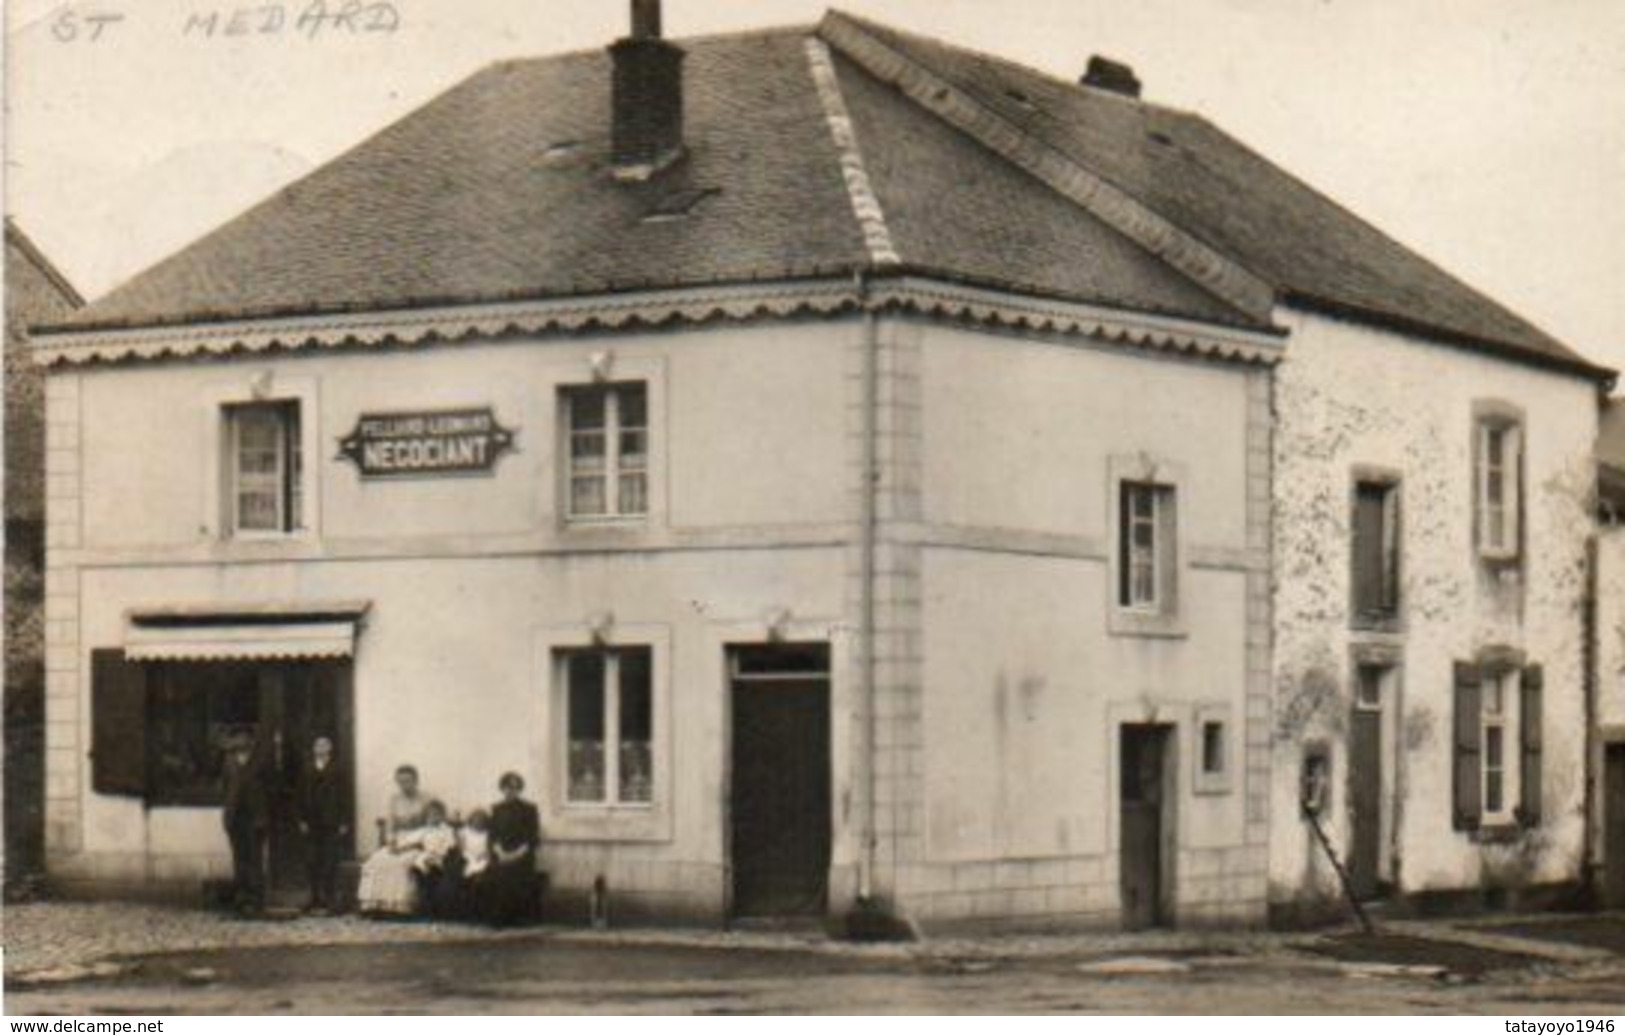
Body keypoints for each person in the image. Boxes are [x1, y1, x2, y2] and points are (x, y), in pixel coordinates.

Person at [356, 764, 433, 916]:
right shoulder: (394, 799)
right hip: (398, 840)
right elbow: (391, 824)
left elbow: (430, 826)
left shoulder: (426, 799)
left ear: (416, 780)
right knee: (376, 861)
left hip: (418, 840)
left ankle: (399, 906)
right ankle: (376, 904)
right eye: (401, 781)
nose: (405, 785)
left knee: (401, 864)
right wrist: (391, 841)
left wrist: (415, 842)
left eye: (408, 781)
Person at [221, 729, 272, 917]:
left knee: (255, 860)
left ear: (251, 747)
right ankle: (241, 901)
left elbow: (268, 790)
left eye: (244, 746)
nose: (241, 751)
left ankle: (256, 901)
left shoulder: (259, 764)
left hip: (255, 818)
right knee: (239, 860)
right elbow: (225, 789)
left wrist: (264, 816)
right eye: (238, 748)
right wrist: (227, 815)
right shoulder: (229, 764)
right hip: (236, 819)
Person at [483, 771, 541, 927]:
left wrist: (515, 855)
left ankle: (517, 918)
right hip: (501, 854)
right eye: (508, 787)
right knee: (496, 874)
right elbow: (492, 835)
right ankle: (499, 918)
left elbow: (532, 837)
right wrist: (501, 853)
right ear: (502, 788)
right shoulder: (496, 808)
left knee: (517, 875)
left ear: (520, 789)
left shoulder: (530, 809)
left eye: (515, 787)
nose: (511, 790)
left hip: (522, 855)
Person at [298, 736, 348, 914]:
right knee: (312, 859)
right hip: (312, 821)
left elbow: (344, 795)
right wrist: (302, 819)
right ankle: (313, 897)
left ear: (330, 748)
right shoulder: (306, 768)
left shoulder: (338, 768)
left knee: (330, 859)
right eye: (317, 745)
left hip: (331, 820)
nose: (321, 748)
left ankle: (330, 899)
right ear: (313, 749)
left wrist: (343, 820)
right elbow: (301, 794)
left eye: (325, 745)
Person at [407, 800, 461, 919]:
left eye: (437, 814)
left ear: (442, 816)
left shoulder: (447, 830)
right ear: (427, 816)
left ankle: (434, 910)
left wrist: (437, 855)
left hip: (441, 858)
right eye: (431, 814)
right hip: (425, 858)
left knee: (433, 875)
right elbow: (410, 839)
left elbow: (450, 846)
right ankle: (424, 908)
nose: (434, 817)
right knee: (420, 872)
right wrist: (399, 845)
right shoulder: (425, 830)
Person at [459, 809, 492, 920]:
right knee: (470, 875)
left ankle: (480, 912)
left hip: (483, 859)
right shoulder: (464, 832)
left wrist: (483, 856)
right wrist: (470, 858)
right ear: (471, 820)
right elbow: (462, 849)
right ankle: (470, 912)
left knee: (481, 877)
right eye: (475, 819)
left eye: (481, 820)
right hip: (468, 859)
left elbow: (489, 850)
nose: (478, 822)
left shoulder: (488, 834)